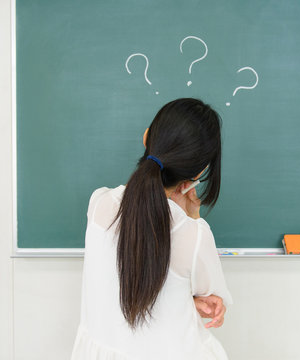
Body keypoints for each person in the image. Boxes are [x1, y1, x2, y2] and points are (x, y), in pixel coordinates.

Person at [71, 98, 233, 359]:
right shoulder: (193, 234)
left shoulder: (99, 205)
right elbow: (212, 297)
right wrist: (191, 217)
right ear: (199, 173)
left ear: (146, 137)